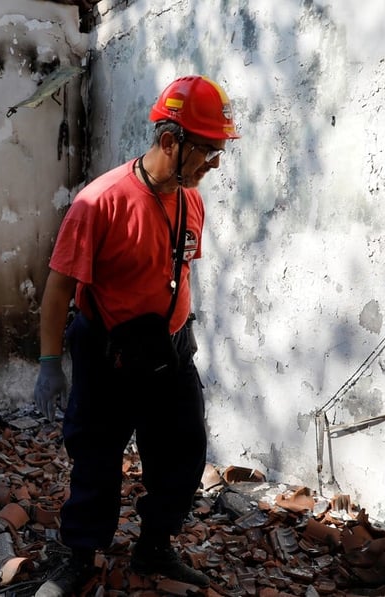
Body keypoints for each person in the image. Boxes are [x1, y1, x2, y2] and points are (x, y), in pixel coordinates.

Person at [32, 75, 240, 596]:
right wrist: (50, 362)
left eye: (217, 152)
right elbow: (58, 289)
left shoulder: (191, 202)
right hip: (108, 351)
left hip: (169, 349)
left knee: (184, 450)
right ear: (171, 141)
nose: (214, 164)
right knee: (97, 455)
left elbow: (178, 272)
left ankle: (154, 546)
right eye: (208, 151)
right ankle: (81, 553)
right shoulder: (98, 203)